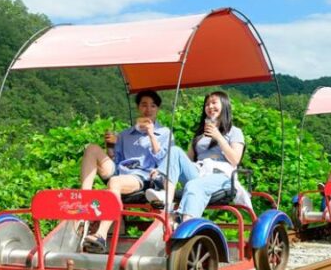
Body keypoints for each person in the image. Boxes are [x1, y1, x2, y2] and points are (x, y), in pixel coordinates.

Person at [79, 90, 170, 253]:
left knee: (115, 182)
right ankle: (83, 202)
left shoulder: (164, 133)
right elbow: (116, 161)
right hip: (121, 172)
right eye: (144, 105)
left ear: (158, 109)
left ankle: (101, 234)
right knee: (92, 149)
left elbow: (162, 161)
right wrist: (110, 147)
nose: (148, 109)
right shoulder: (125, 134)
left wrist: (150, 134)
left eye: (152, 106)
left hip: (143, 176)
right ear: (138, 108)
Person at [145, 91, 246, 224]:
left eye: (214, 103)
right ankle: (167, 202)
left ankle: (186, 222)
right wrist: (161, 170)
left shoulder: (234, 132)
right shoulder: (200, 135)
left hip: (222, 176)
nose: (210, 107)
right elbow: (185, 160)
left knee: (194, 185)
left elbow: (235, 160)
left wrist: (218, 136)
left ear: (224, 105)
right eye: (207, 104)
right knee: (175, 151)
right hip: (200, 172)